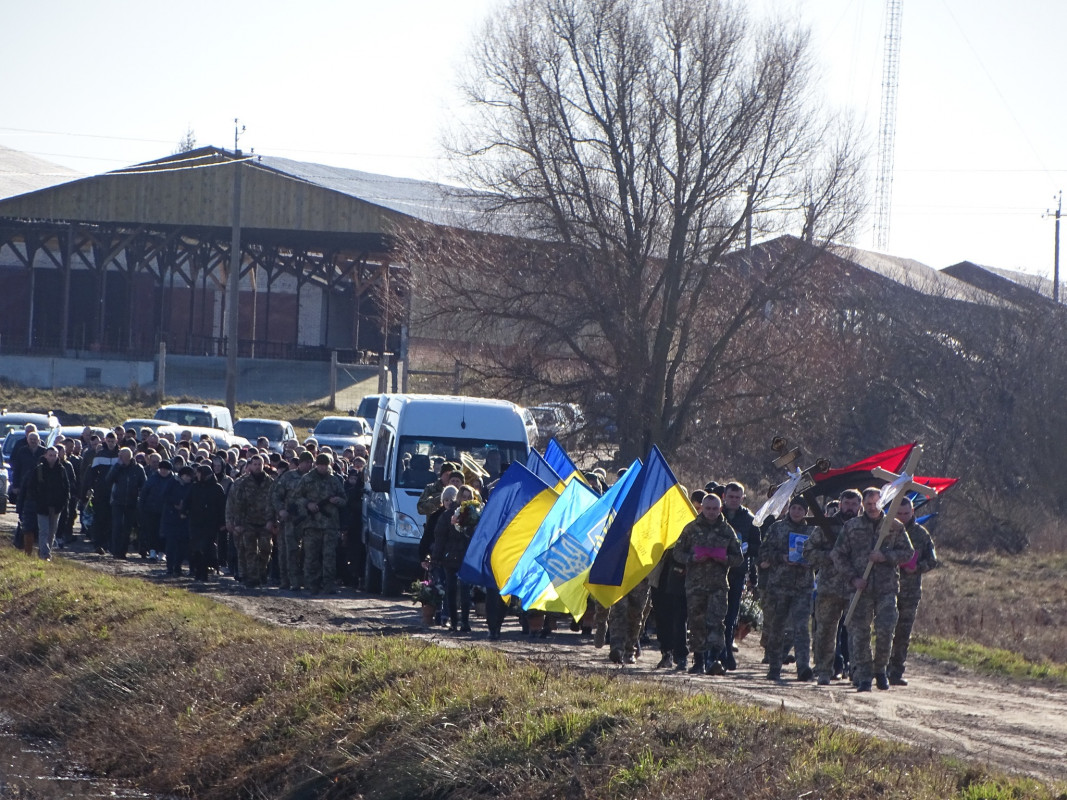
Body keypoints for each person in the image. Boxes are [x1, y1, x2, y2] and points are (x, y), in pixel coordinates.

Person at [831, 487, 914, 692]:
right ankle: (864, 675)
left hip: (886, 588)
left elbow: (908, 553)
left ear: (882, 503)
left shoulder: (894, 526)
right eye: (867, 504)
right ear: (863, 505)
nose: (871, 508)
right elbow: (838, 555)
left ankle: (880, 671)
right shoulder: (852, 527)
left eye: (875, 504)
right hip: (861, 588)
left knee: (886, 630)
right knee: (860, 633)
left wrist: (885, 557)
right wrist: (852, 578)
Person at [673, 493, 744, 675]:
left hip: (718, 586)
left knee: (716, 622)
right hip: (695, 585)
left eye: (714, 509)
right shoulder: (690, 529)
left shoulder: (728, 531)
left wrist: (725, 558)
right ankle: (699, 660)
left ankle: (714, 659)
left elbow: (738, 558)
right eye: (708, 508)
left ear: (720, 509)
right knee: (696, 623)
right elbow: (677, 553)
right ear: (702, 508)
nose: (711, 512)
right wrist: (692, 558)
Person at [803, 488, 861, 685]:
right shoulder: (825, 526)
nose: (850, 508)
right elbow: (808, 552)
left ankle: (856, 670)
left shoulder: (865, 528)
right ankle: (824, 670)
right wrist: (830, 557)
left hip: (856, 588)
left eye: (854, 505)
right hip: (829, 587)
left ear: (860, 506)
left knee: (857, 632)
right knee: (825, 631)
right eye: (847, 504)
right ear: (840, 503)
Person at [759, 496, 815, 681]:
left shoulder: (813, 530)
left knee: (801, 629)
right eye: (794, 508)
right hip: (779, 586)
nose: (797, 512)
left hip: (803, 587)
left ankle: (803, 667)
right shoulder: (777, 528)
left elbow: (822, 553)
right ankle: (774, 666)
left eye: (800, 509)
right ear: (789, 509)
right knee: (777, 627)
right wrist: (781, 558)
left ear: (805, 512)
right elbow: (763, 551)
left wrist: (811, 562)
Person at [888, 497, 939, 685]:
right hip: (886, 588)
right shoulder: (886, 530)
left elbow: (932, 560)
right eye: (898, 514)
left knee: (903, 632)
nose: (902, 517)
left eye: (906, 514)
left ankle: (895, 671)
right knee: (884, 629)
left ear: (912, 513)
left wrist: (917, 567)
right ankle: (878, 667)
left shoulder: (921, 534)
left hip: (910, 591)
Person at [291, 453, 346, 594]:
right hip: (311, 524)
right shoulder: (307, 479)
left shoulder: (334, 481)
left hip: (330, 524)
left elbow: (344, 499)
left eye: (325, 465)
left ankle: (328, 584)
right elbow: (297, 497)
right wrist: (308, 504)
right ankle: (311, 583)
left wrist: (336, 501)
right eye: (320, 465)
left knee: (329, 555)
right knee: (311, 555)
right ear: (316, 465)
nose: (323, 468)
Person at [720, 481, 760, 670]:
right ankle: (712, 652)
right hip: (714, 572)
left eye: (738, 497)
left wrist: (746, 549)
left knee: (730, 615)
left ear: (743, 498)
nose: (734, 500)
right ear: (724, 497)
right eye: (731, 496)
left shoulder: (750, 519)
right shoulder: (715, 514)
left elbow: (757, 547)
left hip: (736, 572)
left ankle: (727, 649)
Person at [225, 453, 275, 588]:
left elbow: (274, 502)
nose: (258, 467)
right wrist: (232, 522)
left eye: (260, 464)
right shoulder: (241, 483)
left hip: (265, 522)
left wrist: (273, 521)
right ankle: (252, 577)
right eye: (255, 464)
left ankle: (261, 571)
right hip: (247, 523)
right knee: (250, 550)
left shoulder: (270, 482)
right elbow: (232, 503)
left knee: (266, 549)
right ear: (250, 466)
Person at [441, 485, 482, 632]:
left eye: (469, 497)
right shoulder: (449, 514)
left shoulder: (476, 516)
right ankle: (453, 621)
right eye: (464, 497)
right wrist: (436, 557)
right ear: (459, 497)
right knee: (451, 590)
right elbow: (440, 536)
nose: (466, 500)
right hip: (451, 556)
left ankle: (465, 621)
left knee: (465, 590)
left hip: (466, 557)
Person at [271, 453, 311, 590]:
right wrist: (281, 510)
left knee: (308, 552)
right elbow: (276, 495)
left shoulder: (313, 478)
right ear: (300, 463)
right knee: (288, 551)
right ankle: (288, 581)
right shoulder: (288, 477)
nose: (308, 465)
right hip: (290, 520)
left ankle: (306, 580)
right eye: (305, 462)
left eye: (310, 462)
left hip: (309, 520)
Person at [185, 465, 227, 582]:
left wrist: (223, 522)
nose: (197, 476)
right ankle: (197, 571)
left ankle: (205, 572)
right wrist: (184, 511)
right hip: (195, 523)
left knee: (207, 548)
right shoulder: (195, 487)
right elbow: (188, 501)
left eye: (198, 473)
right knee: (196, 549)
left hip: (210, 524)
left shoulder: (217, 488)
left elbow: (222, 507)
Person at [27, 446, 71, 560]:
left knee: (52, 532)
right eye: (50, 455)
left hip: (56, 507)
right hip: (42, 506)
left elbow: (66, 488)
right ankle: (44, 554)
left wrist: (62, 504)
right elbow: (31, 488)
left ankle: (47, 551)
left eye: (55, 455)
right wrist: (38, 501)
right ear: (45, 455)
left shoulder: (62, 470)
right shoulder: (39, 469)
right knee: (44, 531)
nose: (52, 457)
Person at [103, 447, 147, 559]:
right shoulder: (117, 467)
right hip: (118, 501)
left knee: (127, 528)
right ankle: (115, 551)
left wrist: (140, 498)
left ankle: (123, 551)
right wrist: (117, 467)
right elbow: (108, 480)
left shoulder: (138, 468)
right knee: (117, 526)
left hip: (132, 503)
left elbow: (144, 485)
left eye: (121, 456)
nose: (119, 457)